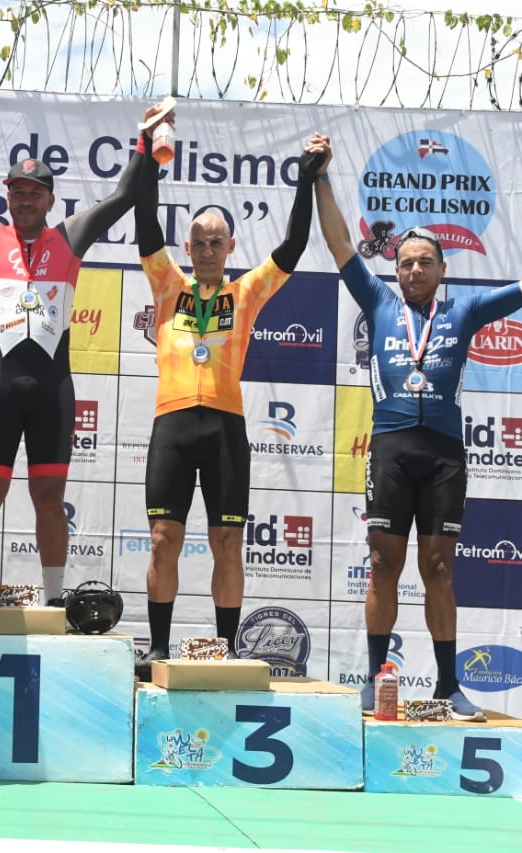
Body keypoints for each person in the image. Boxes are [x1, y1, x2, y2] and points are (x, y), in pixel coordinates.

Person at [310, 132, 522, 720]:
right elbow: (337, 240)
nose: (413, 269)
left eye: (424, 262)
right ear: (398, 269)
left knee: (438, 568)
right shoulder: (378, 302)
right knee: (384, 564)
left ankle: (447, 685)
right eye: (406, 262)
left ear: (441, 269)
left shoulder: (466, 310)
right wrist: (321, 176)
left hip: (443, 455)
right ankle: (375, 675)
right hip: (389, 448)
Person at [0, 104, 149, 608]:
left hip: (52, 390)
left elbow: (123, 196)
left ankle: (55, 600)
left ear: (51, 199)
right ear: (6, 196)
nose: (25, 200)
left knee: (49, 501)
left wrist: (144, 139)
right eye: (17, 192)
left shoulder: (70, 238)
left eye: (34, 193)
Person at [132, 113, 319, 681]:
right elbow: (144, 221)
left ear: (230, 246)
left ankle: (226, 648)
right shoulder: (169, 284)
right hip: (172, 425)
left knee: (226, 541)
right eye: (199, 241)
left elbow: (293, 244)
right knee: (164, 539)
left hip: (225, 431)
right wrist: (147, 151)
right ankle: (158, 648)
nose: (208, 249)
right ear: (186, 246)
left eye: (217, 242)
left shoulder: (247, 292)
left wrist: (306, 179)